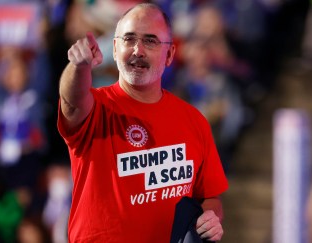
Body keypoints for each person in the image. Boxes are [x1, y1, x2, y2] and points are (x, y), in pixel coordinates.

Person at [57, 3, 228, 242]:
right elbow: (72, 99)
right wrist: (79, 66)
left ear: (169, 55)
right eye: (129, 39)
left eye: (150, 41)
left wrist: (212, 218)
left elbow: (210, 197)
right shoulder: (96, 108)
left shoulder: (194, 120)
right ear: (115, 49)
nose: (138, 50)